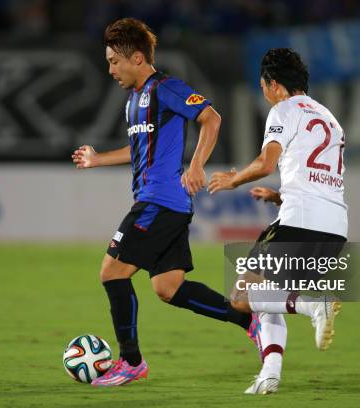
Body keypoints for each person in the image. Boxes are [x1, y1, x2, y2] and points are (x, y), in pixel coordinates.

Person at [72, 17, 261, 387]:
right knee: (167, 288)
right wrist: (98, 159)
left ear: (138, 58)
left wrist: (196, 165)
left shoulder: (166, 88)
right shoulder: (133, 101)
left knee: (111, 272)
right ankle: (248, 320)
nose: (110, 69)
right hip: (164, 205)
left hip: (160, 202)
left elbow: (211, 118)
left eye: (114, 61)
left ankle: (130, 361)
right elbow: (138, 148)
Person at [208, 48, 348, 394]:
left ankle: (314, 303)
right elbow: (321, 178)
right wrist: (278, 196)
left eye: (263, 86)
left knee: (242, 296)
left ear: (274, 84)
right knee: (265, 293)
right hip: (334, 228)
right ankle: (269, 375)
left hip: (299, 221)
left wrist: (233, 179)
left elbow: (265, 163)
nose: (264, 93)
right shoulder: (330, 118)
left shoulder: (283, 110)